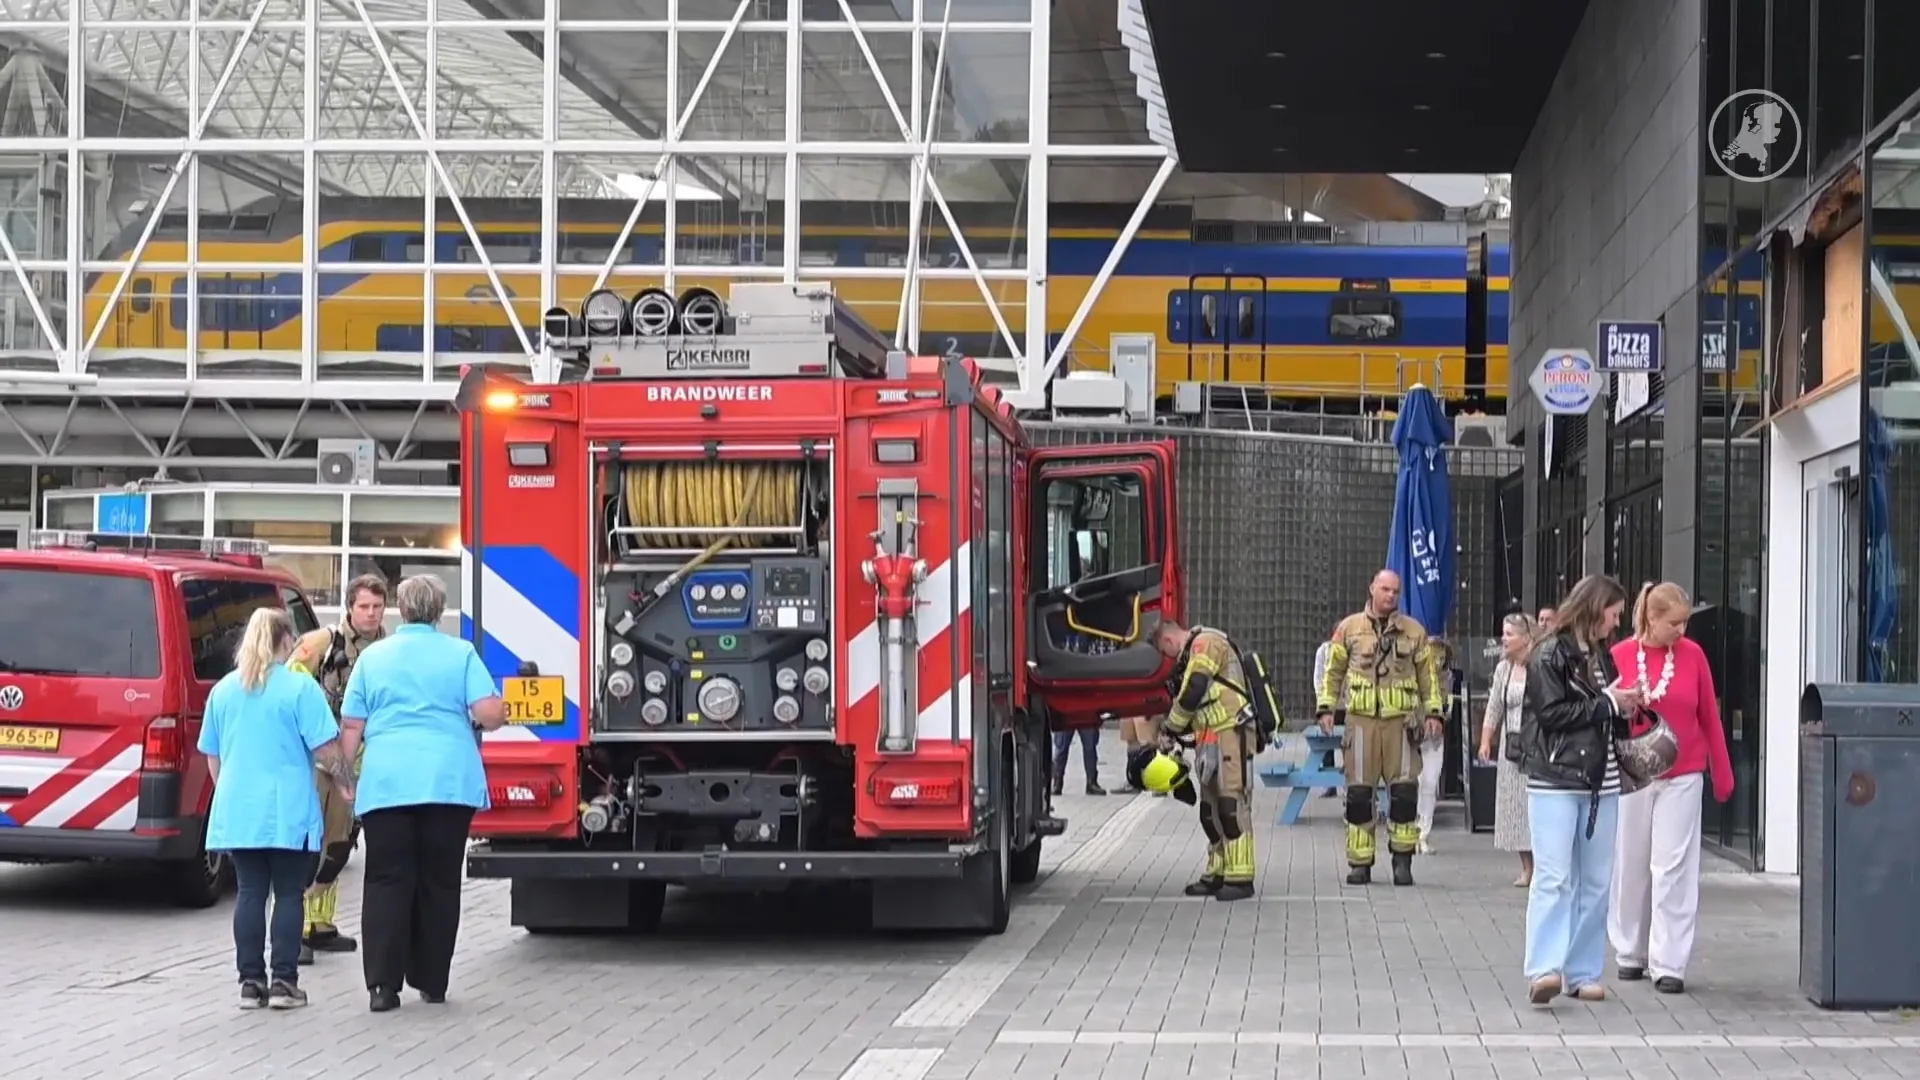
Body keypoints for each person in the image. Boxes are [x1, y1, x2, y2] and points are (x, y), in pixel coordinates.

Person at [338, 575, 506, 1013]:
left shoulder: (373, 657)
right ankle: (432, 981)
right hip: (448, 783)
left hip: (387, 783)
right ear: (438, 610)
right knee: (439, 881)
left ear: (400, 608)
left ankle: (382, 986)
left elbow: (352, 726)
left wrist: (344, 778)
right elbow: (488, 714)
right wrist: (498, 710)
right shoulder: (460, 653)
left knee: (386, 880)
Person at [197, 608, 356, 1011]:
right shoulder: (300, 690)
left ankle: (250, 983)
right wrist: (346, 785)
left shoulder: (224, 690)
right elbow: (326, 749)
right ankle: (284, 982)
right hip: (288, 809)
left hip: (239, 809)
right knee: (288, 893)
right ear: (286, 640)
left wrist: (231, 792)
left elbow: (213, 757)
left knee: (250, 892)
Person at [1607, 582, 1733, 995]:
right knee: (1631, 862)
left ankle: (1669, 962)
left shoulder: (1693, 656)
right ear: (1651, 618)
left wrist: (1722, 770)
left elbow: (1709, 714)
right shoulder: (1620, 655)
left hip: (1684, 772)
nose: (1681, 630)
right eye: (1674, 623)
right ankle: (1630, 950)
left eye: (1685, 623)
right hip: (1634, 773)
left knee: (1672, 867)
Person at [1520, 574, 1635, 1006]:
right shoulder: (1549, 652)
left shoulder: (1603, 655)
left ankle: (1582, 971)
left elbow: (1601, 709)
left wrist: (1625, 706)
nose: (1617, 623)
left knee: (1597, 881)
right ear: (1595, 608)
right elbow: (1551, 713)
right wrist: (1609, 703)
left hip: (1601, 779)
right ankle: (1544, 969)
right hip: (1555, 777)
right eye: (1614, 614)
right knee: (1554, 876)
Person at [1316, 569, 1445, 886]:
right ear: (1372, 588)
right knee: (1359, 794)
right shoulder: (1349, 628)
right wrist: (1326, 708)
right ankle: (1360, 864)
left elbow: (1429, 676)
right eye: (1385, 589)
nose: (1391, 595)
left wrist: (1434, 712)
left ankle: (1403, 861)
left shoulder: (1414, 631)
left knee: (1404, 794)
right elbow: (1333, 671)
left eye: (1396, 591)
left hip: (1401, 725)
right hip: (1361, 724)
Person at [287, 572, 389, 965]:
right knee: (309, 844)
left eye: (377, 606)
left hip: (361, 762)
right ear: (349, 607)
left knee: (341, 843)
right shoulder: (320, 644)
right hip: (319, 759)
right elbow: (290, 691)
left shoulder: (388, 650)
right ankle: (292, 927)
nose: (371, 613)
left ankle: (320, 923)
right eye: (364, 606)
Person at [1153, 620, 1256, 901]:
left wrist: (1170, 728)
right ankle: (1217, 872)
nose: (1167, 657)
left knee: (1231, 805)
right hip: (1210, 736)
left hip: (1231, 730)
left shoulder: (1205, 644)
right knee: (1209, 811)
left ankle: (1241, 877)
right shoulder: (1193, 652)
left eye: (1163, 651)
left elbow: (1194, 689)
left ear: (1168, 641)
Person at [1478, 612, 1537, 886]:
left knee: (1535, 808)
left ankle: (1542, 866)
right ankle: (1527, 867)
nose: (1504, 639)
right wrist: (1485, 741)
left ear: (1525, 638)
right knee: (1514, 809)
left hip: (1536, 746)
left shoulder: (1540, 666)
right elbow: (1494, 707)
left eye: (1509, 634)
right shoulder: (1503, 669)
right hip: (1510, 747)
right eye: (1504, 633)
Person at [1311, 629, 1343, 797]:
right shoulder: (1324, 651)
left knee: (1350, 743)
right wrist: (1323, 703)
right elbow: (1318, 677)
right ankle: (1330, 785)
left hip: (1348, 706)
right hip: (1329, 704)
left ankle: (1350, 783)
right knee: (1326, 744)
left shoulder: (1352, 650)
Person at [1051, 725, 1106, 796]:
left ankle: (1091, 782)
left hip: (1086, 719)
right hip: (1066, 718)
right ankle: (1057, 782)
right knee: (1061, 747)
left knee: (1090, 746)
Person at [1119, 715, 1165, 795]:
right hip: (1128, 710)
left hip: (1147, 710)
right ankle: (1133, 782)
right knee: (1132, 742)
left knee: (1148, 743)